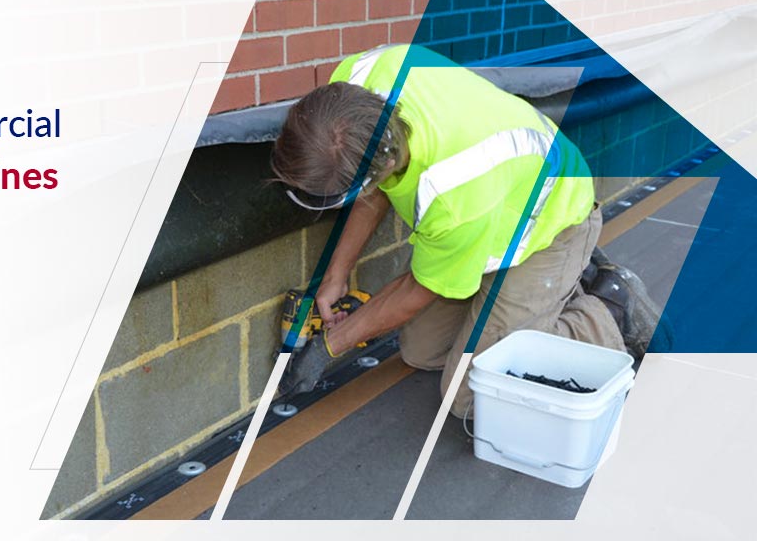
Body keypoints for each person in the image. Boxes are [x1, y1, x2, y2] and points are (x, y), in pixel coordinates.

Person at [272, 43, 664, 416]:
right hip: (495, 209)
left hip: (549, 224)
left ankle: (608, 309)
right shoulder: (360, 81)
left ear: (379, 169)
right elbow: (374, 189)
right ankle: (517, 314)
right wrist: (336, 275)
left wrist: (328, 348)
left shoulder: (453, 192)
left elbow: (419, 288)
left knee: (472, 397)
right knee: (420, 352)